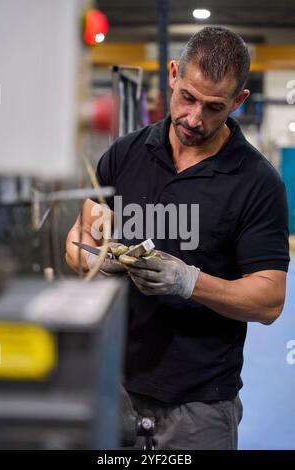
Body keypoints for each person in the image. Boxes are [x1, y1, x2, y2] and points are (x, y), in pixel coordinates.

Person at [65, 26, 290, 450]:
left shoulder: (257, 184)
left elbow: (269, 299)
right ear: (173, 74)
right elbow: (77, 239)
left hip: (200, 404)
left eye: (213, 107)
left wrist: (188, 281)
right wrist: (97, 257)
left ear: (239, 102)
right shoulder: (124, 154)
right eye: (187, 97)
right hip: (115, 384)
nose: (193, 118)